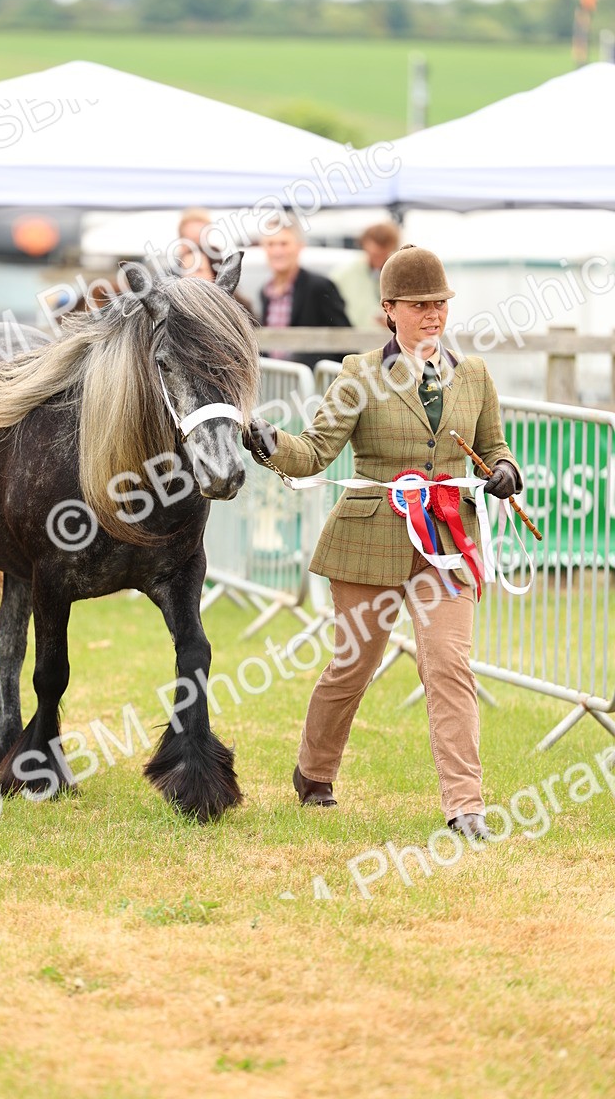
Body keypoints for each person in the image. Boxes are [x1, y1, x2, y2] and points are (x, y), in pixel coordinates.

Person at [244, 244, 522, 840]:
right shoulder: (359, 374)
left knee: (448, 665)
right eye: (419, 305)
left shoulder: (474, 374)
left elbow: (495, 446)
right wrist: (270, 443)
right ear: (389, 309)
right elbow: (315, 451)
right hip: (369, 539)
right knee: (353, 666)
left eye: (440, 303)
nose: (433, 314)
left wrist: (505, 471)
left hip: (448, 542)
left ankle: (466, 807)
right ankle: (314, 771)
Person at [260, 216, 350, 370]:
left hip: (313, 379)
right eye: (271, 244)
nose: (277, 251)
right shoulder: (265, 292)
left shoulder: (319, 287)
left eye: (284, 244)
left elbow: (345, 340)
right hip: (275, 379)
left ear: (300, 246)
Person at [331, 222, 400, 330]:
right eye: (374, 254)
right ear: (364, 245)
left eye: (382, 254)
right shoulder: (343, 275)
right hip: (354, 337)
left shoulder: (401, 275)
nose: (378, 259)